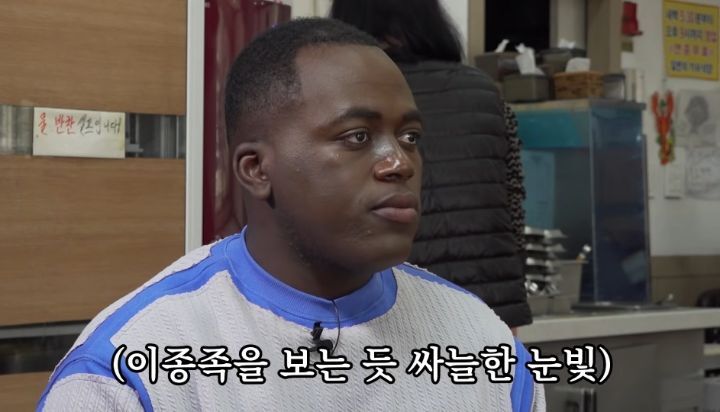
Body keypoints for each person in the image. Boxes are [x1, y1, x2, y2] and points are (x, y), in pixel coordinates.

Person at [38, 18, 544, 411]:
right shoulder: (131, 372)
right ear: (256, 169)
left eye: (410, 137)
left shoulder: (481, 343)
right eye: (357, 137)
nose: (399, 163)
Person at [331, 0, 532, 329]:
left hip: (388, 306)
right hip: (489, 307)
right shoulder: (484, 91)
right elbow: (514, 203)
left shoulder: (345, 94)